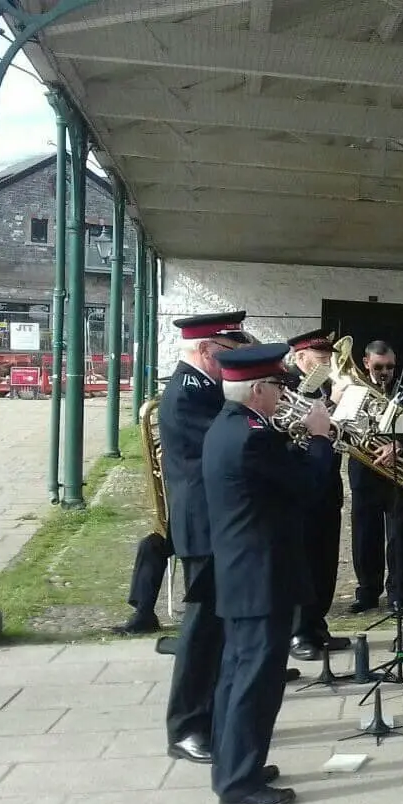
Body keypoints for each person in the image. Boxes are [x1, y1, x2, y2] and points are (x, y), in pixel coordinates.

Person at [205, 343, 335, 804]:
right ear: (257, 389)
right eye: (278, 387)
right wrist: (320, 438)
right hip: (263, 576)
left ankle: (235, 764)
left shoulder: (230, 426)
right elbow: (308, 487)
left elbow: (271, 480)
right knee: (255, 682)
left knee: (237, 675)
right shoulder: (251, 437)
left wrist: (294, 438)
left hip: (243, 573)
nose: (283, 395)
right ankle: (239, 783)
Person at [145, 311, 252, 765]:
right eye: (230, 354)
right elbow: (226, 446)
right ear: (207, 351)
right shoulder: (191, 394)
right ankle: (187, 727)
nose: (233, 363)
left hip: (217, 522)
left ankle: (212, 718)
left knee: (219, 628)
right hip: (205, 525)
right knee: (202, 630)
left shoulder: (204, 388)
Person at [283, 329, 350, 661]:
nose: (327, 365)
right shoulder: (288, 387)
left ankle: (317, 624)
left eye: (328, 360)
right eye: (321, 360)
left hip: (327, 486)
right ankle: (298, 632)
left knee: (325, 562)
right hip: (302, 489)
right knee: (304, 562)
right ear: (300, 358)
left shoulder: (322, 386)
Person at [347, 340, 403, 613]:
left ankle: (399, 593)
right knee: (365, 535)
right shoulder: (353, 389)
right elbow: (342, 424)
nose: (385, 372)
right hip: (365, 470)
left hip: (398, 472)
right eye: (378, 366)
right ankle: (367, 592)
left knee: (400, 535)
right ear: (365, 363)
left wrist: (398, 443)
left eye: (390, 367)